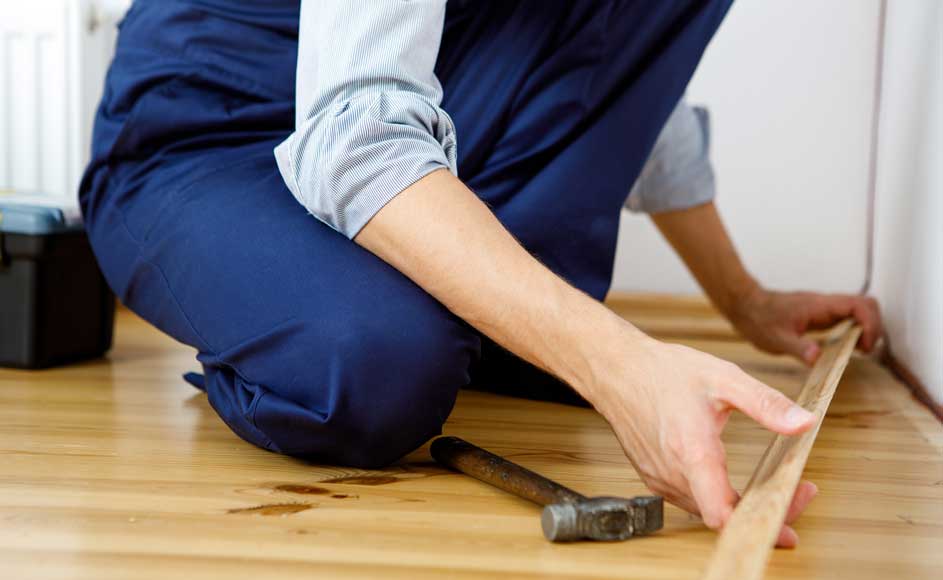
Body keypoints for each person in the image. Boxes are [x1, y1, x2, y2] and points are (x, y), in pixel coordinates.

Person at [80, 0, 882, 548]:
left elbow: (616, 67)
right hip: (210, 135)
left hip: (398, 121)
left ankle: (468, 308)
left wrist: (742, 297)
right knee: (371, 364)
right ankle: (281, 326)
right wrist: (621, 366)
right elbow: (352, 138)